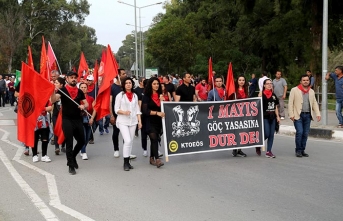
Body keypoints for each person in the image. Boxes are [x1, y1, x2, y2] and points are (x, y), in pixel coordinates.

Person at [51, 71, 88, 175]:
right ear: (67, 78)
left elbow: (87, 103)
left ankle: (73, 157)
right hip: (66, 120)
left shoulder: (80, 92)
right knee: (69, 143)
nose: (73, 79)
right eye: (71, 77)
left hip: (78, 119)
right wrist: (52, 91)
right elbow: (53, 100)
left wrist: (83, 106)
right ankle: (71, 165)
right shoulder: (62, 90)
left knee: (82, 141)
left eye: (75, 77)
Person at [289, 75, 321, 157]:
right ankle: (298, 150)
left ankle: (302, 150)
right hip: (298, 115)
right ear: (300, 81)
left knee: (305, 133)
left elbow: (314, 103)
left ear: (309, 81)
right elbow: (290, 103)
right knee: (300, 132)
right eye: (304, 80)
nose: (306, 81)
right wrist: (291, 114)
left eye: (307, 80)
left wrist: (317, 113)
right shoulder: (294, 90)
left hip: (308, 115)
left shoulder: (311, 91)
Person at [114, 77, 142, 171]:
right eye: (126, 83)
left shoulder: (135, 95)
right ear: (123, 85)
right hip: (122, 121)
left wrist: (139, 121)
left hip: (133, 121)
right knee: (127, 140)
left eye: (130, 83)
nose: (128, 84)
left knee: (131, 141)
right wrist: (124, 112)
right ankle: (125, 162)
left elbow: (137, 109)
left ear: (132, 84)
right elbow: (116, 109)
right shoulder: (120, 95)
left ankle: (128, 161)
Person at [142, 77, 165, 168]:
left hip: (158, 121)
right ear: (150, 85)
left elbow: (164, 108)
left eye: (157, 84)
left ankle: (151, 157)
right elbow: (145, 111)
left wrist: (163, 101)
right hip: (149, 121)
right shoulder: (146, 96)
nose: (156, 86)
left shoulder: (160, 95)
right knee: (154, 138)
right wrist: (156, 113)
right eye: (154, 84)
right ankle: (157, 159)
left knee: (155, 139)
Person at [110, 68, 132, 158]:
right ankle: (116, 149)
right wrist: (111, 115)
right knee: (116, 132)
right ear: (118, 75)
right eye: (123, 74)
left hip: (127, 114)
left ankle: (126, 151)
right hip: (117, 114)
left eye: (125, 73)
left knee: (126, 134)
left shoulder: (126, 87)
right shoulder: (113, 87)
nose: (125, 75)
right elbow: (110, 102)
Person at [262, 79, 280, 158]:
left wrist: (278, 116)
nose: (269, 85)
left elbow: (275, 106)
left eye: (271, 83)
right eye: (267, 84)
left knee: (272, 135)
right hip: (264, 117)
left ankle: (269, 151)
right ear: (264, 85)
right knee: (267, 133)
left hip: (273, 117)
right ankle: (259, 142)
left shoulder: (274, 95)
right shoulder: (261, 95)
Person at [232, 75, 248, 157]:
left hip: (244, 113)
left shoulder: (246, 90)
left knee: (242, 131)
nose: (241, 81)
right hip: (235, 114)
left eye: (243, 80)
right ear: (237, 81)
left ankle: (240, 149)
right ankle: (234, 148)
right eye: (240, 80)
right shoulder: (234, 91)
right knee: (236, 131)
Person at [79, 83, 95, 160]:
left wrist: (92, 118)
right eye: (81, 87)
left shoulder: (91, 98)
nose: (83, 88)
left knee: (88, 137)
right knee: (83, 136)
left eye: (85, 87)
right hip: (80, 119)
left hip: (89, 119)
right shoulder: (77, 98)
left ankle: (82, 148)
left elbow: (95, 109)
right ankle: (84, 152)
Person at [52, 77, 66, 155]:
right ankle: (56, 147)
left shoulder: (66, 92)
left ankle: (63, 145)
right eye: (55, 82)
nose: (55, 84)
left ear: (61, 84)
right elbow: (51, 100)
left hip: (64, 115)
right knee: (56, 130)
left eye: (56, 83)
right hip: (56, 114)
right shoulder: (54, 92)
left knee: (64, 130)